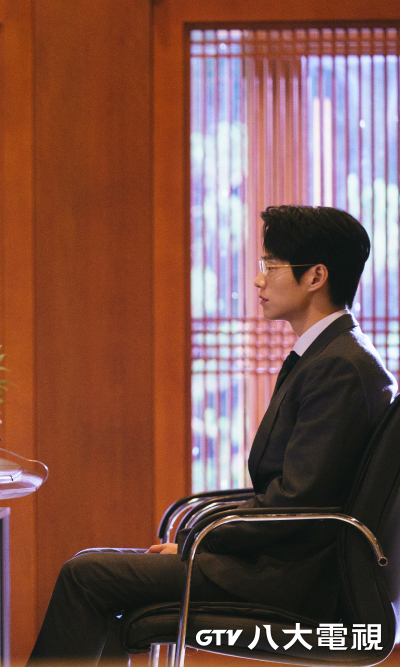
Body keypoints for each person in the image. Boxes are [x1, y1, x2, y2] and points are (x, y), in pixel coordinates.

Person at [29, 206, 397, 665]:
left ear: (316, 276)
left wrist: (197, 542)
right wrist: (197, 542)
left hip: (290, 578)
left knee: (85, 574)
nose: (258, 280)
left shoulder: (340, 367)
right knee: (101, 581)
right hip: (282, 564)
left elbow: (296, 501)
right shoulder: (333, 355)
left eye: (271, 266)